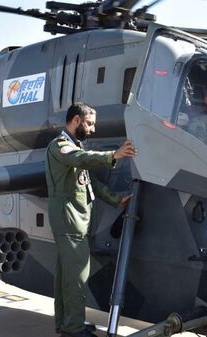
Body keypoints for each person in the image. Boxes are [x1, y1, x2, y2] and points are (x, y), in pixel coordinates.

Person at [45, 102, 137, 337]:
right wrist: (112, 155)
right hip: (69, 224)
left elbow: (90, 183)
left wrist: (117, 200)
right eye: (89, 123)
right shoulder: (61, 147)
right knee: (77, 278)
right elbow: (80, 159)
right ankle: (73, 329)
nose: (93, 129)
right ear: (76, 120)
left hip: (76, 223)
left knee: (67, 277)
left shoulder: (75, 148)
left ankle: (67, 324)